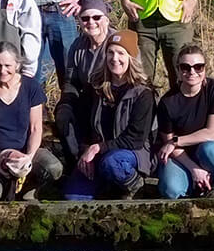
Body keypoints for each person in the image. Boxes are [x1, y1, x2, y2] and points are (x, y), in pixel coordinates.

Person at [63, 32, 156, 199]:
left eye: (121, 53)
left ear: (131, 58)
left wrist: (98, 148)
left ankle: (136, 187)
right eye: (110, 52)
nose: (115, 58)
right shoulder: (95, 87)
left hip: (131, 153)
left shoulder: (143, 93)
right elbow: (82, 124)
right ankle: (107, 186)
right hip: (97, 154)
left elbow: (135, 138)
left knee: (113, 163)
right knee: (73, 198)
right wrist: (85, 150)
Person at [0, 43, 63, 201]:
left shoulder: (31, 87)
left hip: (25, 151)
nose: (2, 71)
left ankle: (29, 188)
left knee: (54, 169)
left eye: (7, 65)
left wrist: (28, 159)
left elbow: (36, 128)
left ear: (17, 64)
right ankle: (1, 185)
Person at [154, 44, 214, 199]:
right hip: (181, 156)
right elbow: (168, 146)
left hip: (208, 151)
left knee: (211, 150)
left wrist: (176, 140)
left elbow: (211, 133)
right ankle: (193, 184)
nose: (192, 72)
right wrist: (194, 168)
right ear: (179, 70)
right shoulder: (167, 102)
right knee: (171, 190)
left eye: (198, 67)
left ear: (205, 68)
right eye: (185, 67)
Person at [55, 0, 115, 158]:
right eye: (85, 18)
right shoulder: (77, 45)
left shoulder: (118, 43)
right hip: (88, 99)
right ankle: (75, 159)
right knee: (63, 115)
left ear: (107, 20)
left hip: (113, 101)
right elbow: (71, 82)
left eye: (96, 17)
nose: (91, 22)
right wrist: (66, 103)